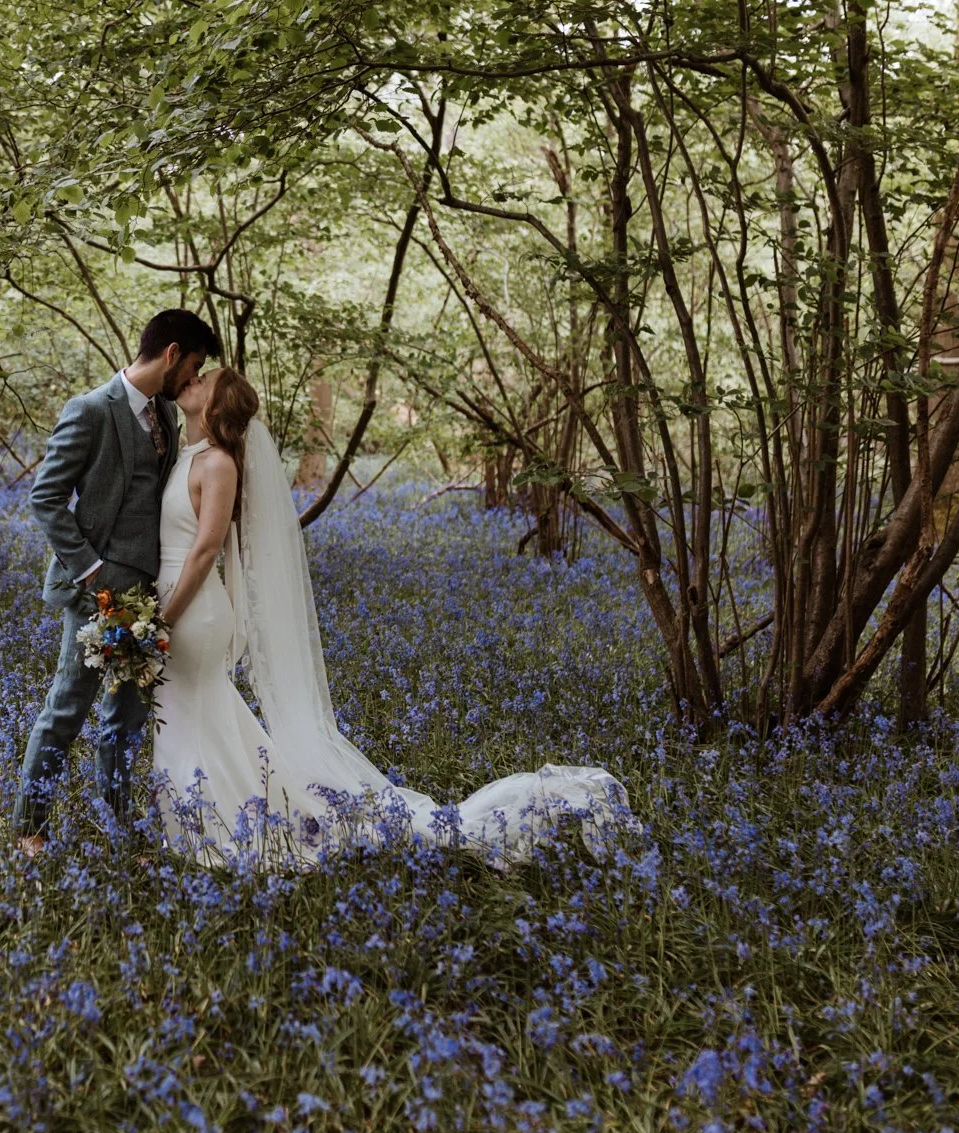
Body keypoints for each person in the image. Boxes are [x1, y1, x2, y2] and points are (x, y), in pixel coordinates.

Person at [150, 367, 639, 865]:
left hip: (192, 611)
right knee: (198, 716)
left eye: (203, 379)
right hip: (176, 605)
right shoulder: (188, 453)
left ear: (217, 405)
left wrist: (162, 618)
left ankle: (214, 821)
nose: (193, 378)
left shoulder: (218, 466)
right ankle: (202, 814)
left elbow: (207, 547)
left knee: (194, 711)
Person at [13, 309, 222, 857]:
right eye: (195, 365)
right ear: (172, 354)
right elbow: (45, 498)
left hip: (151, 592)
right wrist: (92, 573)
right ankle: (28, 829)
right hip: (97, 591)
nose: (194, 378)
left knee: (128, 716)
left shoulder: (165, 418)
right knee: (68, 706)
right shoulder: (90, 411)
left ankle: (120, 827)